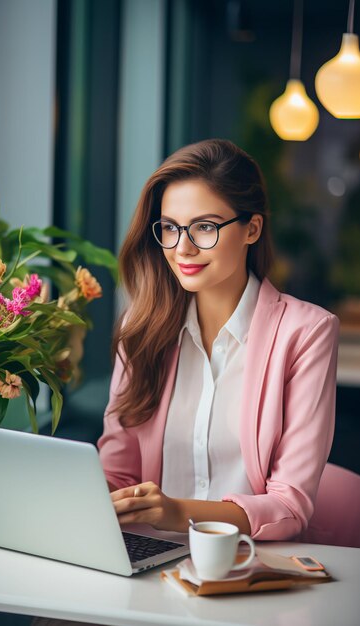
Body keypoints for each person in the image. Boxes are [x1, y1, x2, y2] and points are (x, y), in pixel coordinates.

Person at [97, 138, 339, 541]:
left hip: (247, 567)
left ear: (252, 229)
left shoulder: (306, 334)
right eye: (171, 228)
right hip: (147, 559)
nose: (183, 248)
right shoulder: (139, 331)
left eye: (205, 227)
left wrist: (176, 513)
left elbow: (288, 506)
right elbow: (117, 473)